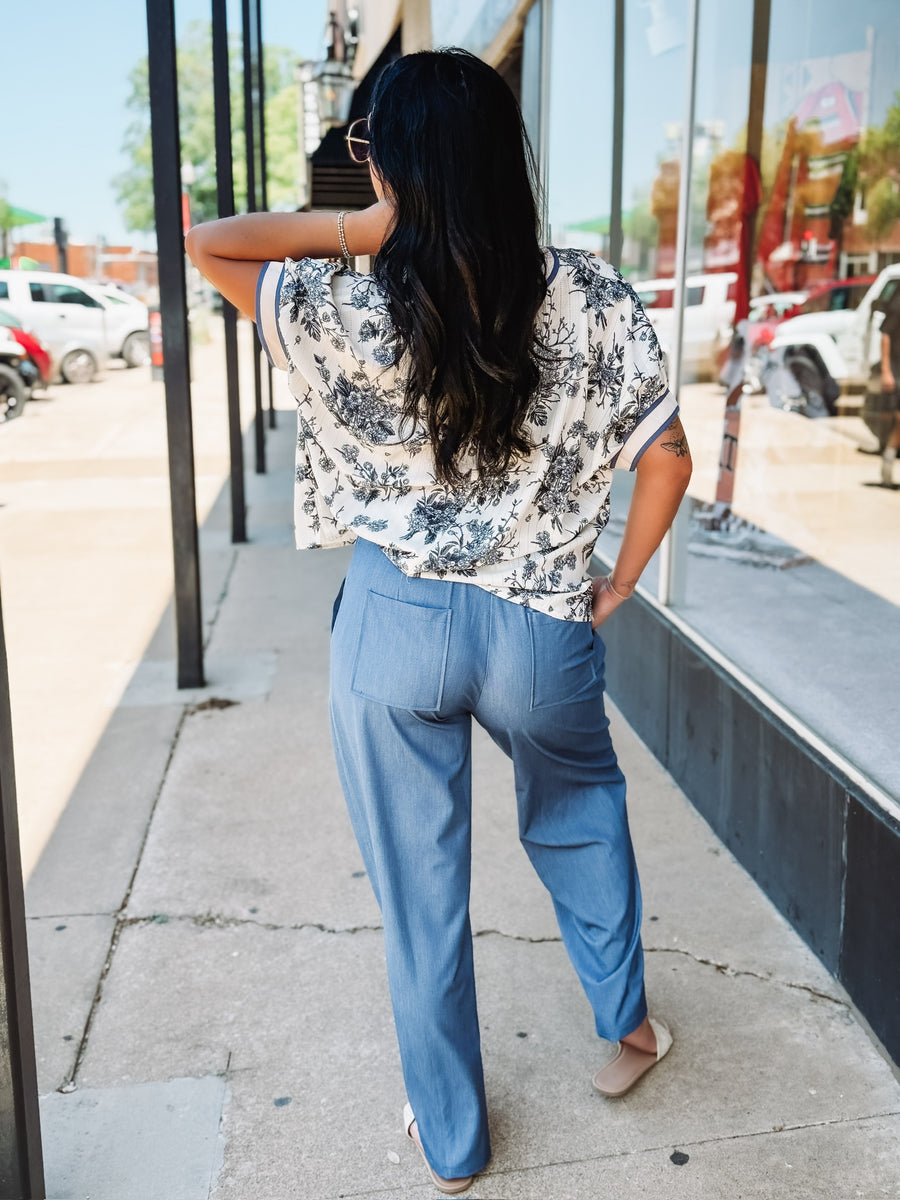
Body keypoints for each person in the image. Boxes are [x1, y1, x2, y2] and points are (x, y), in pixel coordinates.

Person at [186, 47, 692, 1195]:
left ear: (399, 166)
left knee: (421, 895)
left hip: (393, 625)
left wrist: (364, 229)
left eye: (372, 152)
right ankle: (627, 1032)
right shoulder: (594, 293)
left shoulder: (341, 300)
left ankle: (454, 1141)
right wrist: (615, 585)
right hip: (541, 623)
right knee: (578, 813)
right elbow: (666, 456)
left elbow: (209, 241)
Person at [878, 291, 900, 486]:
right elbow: (885, 334)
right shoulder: (898, 299)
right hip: (897, 370)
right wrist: (886, 370)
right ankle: (887, 465)